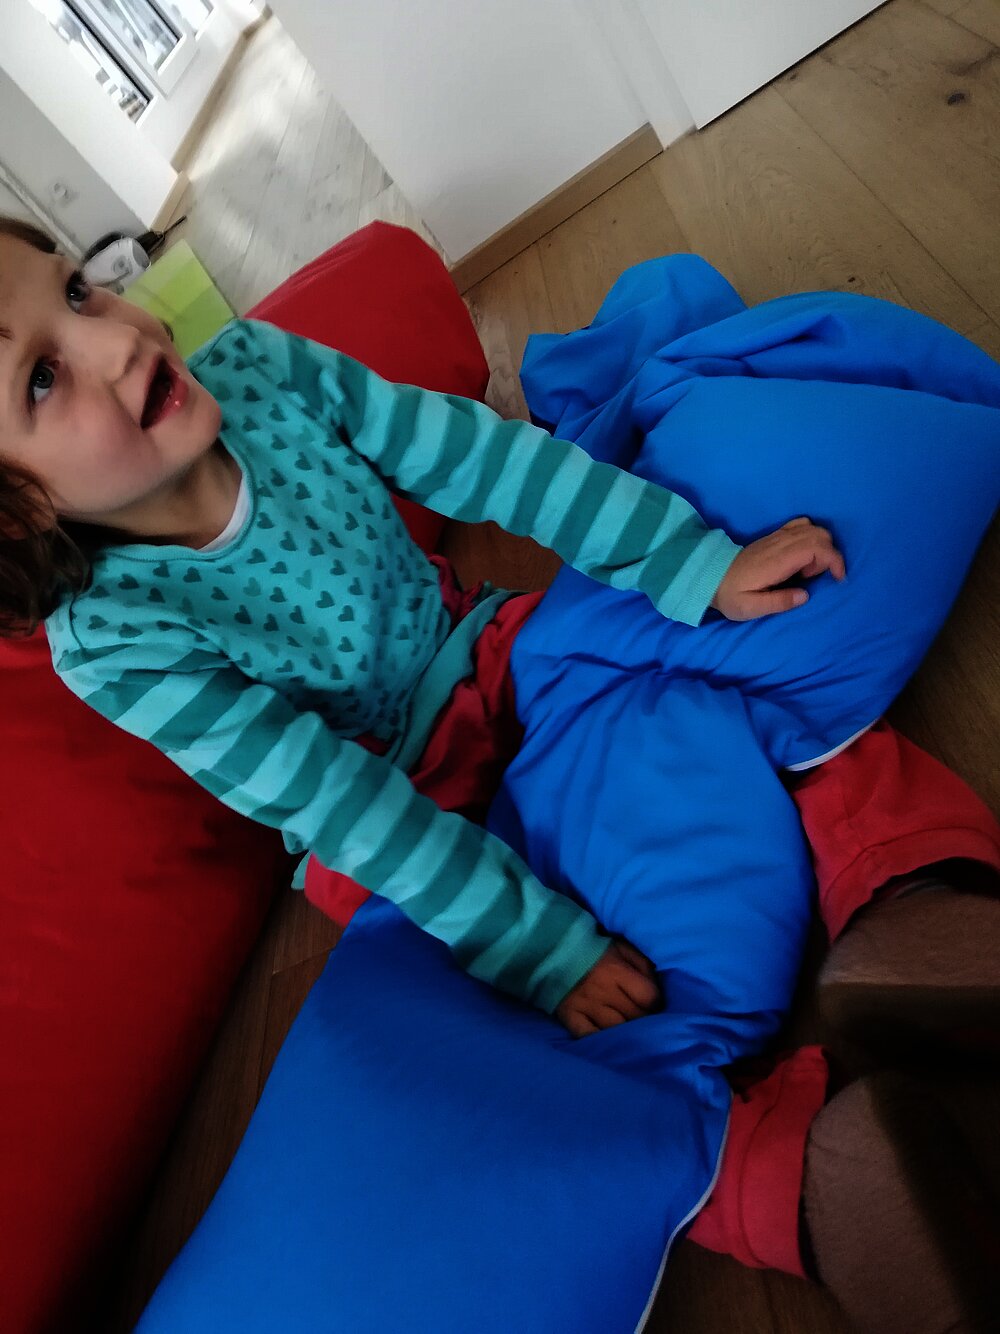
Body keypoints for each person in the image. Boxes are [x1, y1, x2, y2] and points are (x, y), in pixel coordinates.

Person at [1, 215, 997, 1331]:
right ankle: (779, 1176)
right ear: (19, 511)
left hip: (480, 652)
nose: (116, 338)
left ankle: (908, 893)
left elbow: (484, 460)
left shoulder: (262, 371)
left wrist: (688, 563)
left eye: (78, 292)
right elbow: (337, 801)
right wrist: (540, 949)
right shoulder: (113, 640)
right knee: (467, 1022)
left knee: (706, 679)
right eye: (40, 377)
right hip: (386, 805)